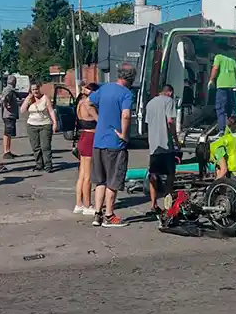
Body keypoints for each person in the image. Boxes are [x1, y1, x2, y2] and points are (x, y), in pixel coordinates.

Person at [89, 64, 136, 228]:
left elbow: (88, 103)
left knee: (100, 181)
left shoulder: (104, 89)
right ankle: (109, 215)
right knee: (113, 181)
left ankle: (97, 214)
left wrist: (99, 120)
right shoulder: (126, 94)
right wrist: (124, 134)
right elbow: (126, 115)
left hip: (99, 141)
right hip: (114, 143)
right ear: (131, 78)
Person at [145, 84, 182, 214]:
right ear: (170, 93)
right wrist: (176, 139)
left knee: (153, 174)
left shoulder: (149, 104)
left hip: (154, 146)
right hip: (166, 145)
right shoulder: (169, 101)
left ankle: (153, 204)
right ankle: (167, 201)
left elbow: (148, 124)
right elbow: (170, 121)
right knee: (170, 174)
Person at [74, 83, 99, 214]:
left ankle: (79, 203)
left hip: (83, 136)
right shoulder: (88, 105)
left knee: (82, 174)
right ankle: (88, 205)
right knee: (88, 176)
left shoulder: (80, 103)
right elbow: (100, 121)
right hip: (90, 136)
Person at [21, 83, 58, 173]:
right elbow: (22, 110)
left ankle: (48, 165)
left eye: (36, 89)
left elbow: (51, 111)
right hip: (32, 125)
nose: (35, 91)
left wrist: (55, 123)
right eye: (33, 90)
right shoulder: (29, 99)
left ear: (39, 89)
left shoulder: (45, 98)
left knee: (45, 146)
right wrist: (27, 99)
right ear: (30, 91)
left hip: (45, 124)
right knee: (35, 147)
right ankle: (39, 164)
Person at [207, 40, 236, 134]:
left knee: (221, 109)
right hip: (232, 87)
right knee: (230, 110)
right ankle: (232, 129)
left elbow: (215, 68)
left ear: (218, 49)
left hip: (222, 87)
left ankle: (222, 130)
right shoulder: (233, 60)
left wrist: (211, 80)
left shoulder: (219, 57)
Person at [0, 75, 19, 159]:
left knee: (9, 133)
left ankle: (8, 151)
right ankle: (6, 151)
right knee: (7, 133)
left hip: (10, 114)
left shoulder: (10, 89)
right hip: (8, 115)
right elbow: (4, 98)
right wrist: (7, 105)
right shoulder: (9, 89)